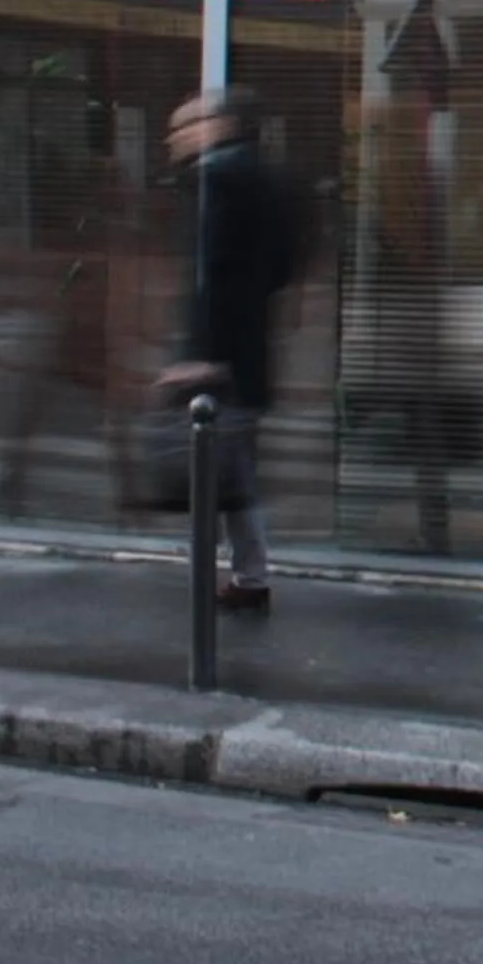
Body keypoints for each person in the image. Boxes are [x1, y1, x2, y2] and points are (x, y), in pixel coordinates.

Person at [162, 86, 298, 612]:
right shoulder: (266, 177)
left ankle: (240, 576)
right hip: (250, 350)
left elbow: (211, 276)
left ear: (213, 126)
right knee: (234, 473)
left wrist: (197, 354)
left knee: (221, 475)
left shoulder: (217, 180)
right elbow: (281, 267)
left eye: (184, 127)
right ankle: (245, 573)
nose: (176, 138)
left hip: (219, 359)